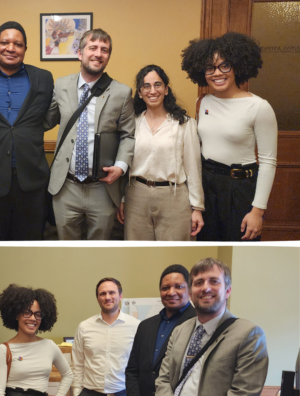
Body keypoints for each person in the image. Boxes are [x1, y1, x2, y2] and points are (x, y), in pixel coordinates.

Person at [152, 258, 268, 396]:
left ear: (228, 290)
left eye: (214, 281)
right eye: (198, 282)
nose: (205, 288)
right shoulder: (179, 331)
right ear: (191, 291)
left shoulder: (248, 333)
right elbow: (163, 381)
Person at [0, 22, 57, 241]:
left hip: (31, 182)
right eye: (5, 42)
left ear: (25, 48)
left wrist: (26, 131)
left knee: (30, 243)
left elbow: (47, 118)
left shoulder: (43, 78)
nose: (11, 48)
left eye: (18, 44)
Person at [181, 32, 277, 241]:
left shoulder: (259, 107)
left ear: (237, 67)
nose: (217, 73)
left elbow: (268, 162)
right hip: (208, 185)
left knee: (241, 250)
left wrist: (257, 211)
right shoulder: (203, 102)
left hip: (240, 188)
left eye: (224, 66)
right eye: (210, 67)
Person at [46, 29, 135, 240]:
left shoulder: (121, 93)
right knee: (66, 248)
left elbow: (128, 135)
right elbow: (45, 120)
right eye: (92, 47)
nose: (98, 54)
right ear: (80, 53)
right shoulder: (61, 85)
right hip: (66, 187)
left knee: (100, 248)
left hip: (103, 188)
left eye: (105, 50)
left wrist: (121, 167)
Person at [117, 65, 205, 240]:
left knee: (174, 253)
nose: (152, 91)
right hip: (136, 197)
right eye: (146, 86)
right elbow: (124, 163)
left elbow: (193, 168)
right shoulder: (132, 123)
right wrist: (123, 199)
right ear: (140, 93)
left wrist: (197, 208)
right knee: (137, 255)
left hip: (173, 197)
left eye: (158, 85)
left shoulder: (184, 124)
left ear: (166, 89)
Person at [125, 265, 197, 396]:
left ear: (189, 290)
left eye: (178, 287)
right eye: (165, 288)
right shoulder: (146, 326)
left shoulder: (198, 323)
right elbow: (132, 371)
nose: (171, 292)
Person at [72, 278, 140, 396]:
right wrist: (78, 395)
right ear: (97, 298)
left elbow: (140, 365)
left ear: (120, 296)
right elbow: (77, 363)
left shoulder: (135, 326)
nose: (107, 297)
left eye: (112, 292)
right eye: (103, 293)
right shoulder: (85, 327)